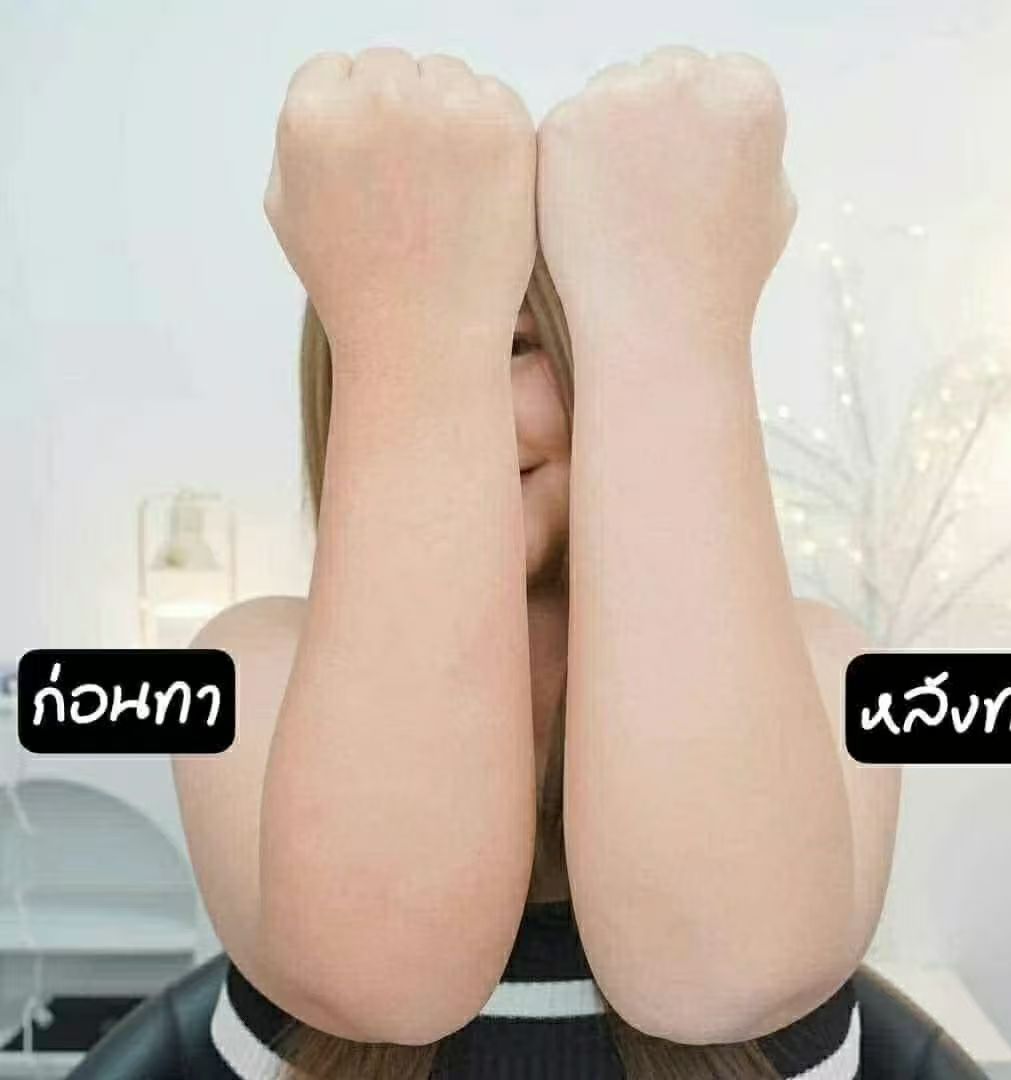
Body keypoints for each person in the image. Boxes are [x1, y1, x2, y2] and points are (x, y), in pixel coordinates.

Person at [172, 44, 902, 1079]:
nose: (467, 405)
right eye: (419, 351)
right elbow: (384, 977)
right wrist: (409, 326)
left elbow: (718, 977)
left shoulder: (831, 670)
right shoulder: (247, 669)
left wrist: (679, 314)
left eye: (515, 344)